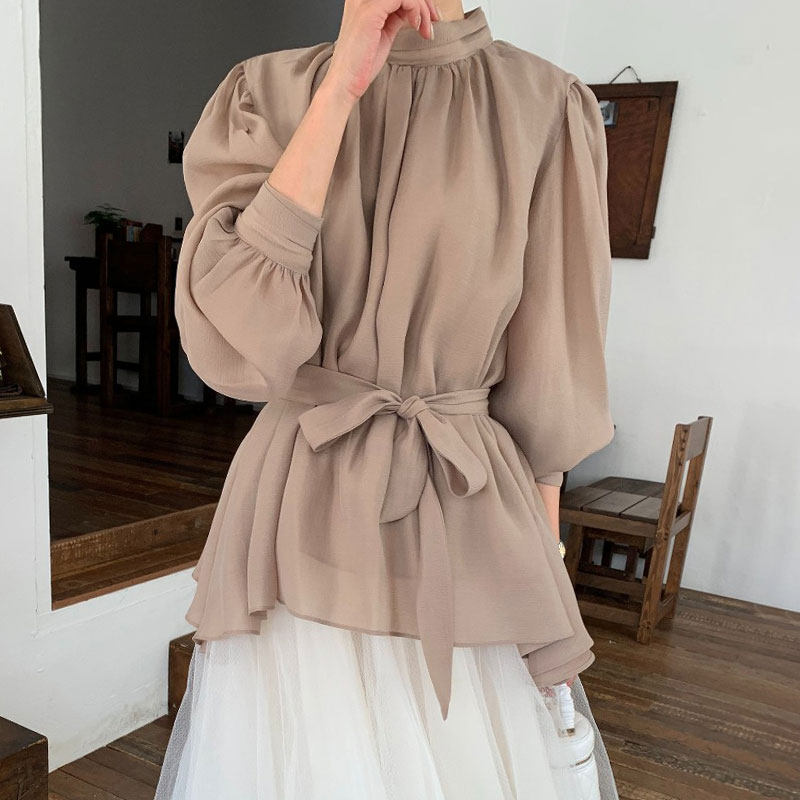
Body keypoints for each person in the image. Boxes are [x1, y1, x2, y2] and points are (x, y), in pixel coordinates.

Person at [154, 1, 620, 797]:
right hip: (297, 511)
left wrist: (546, 577)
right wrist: (339, 88)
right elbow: (240, 347)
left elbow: (554, 370)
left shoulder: (547, 106)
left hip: (464, 510)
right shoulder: (263, 94)